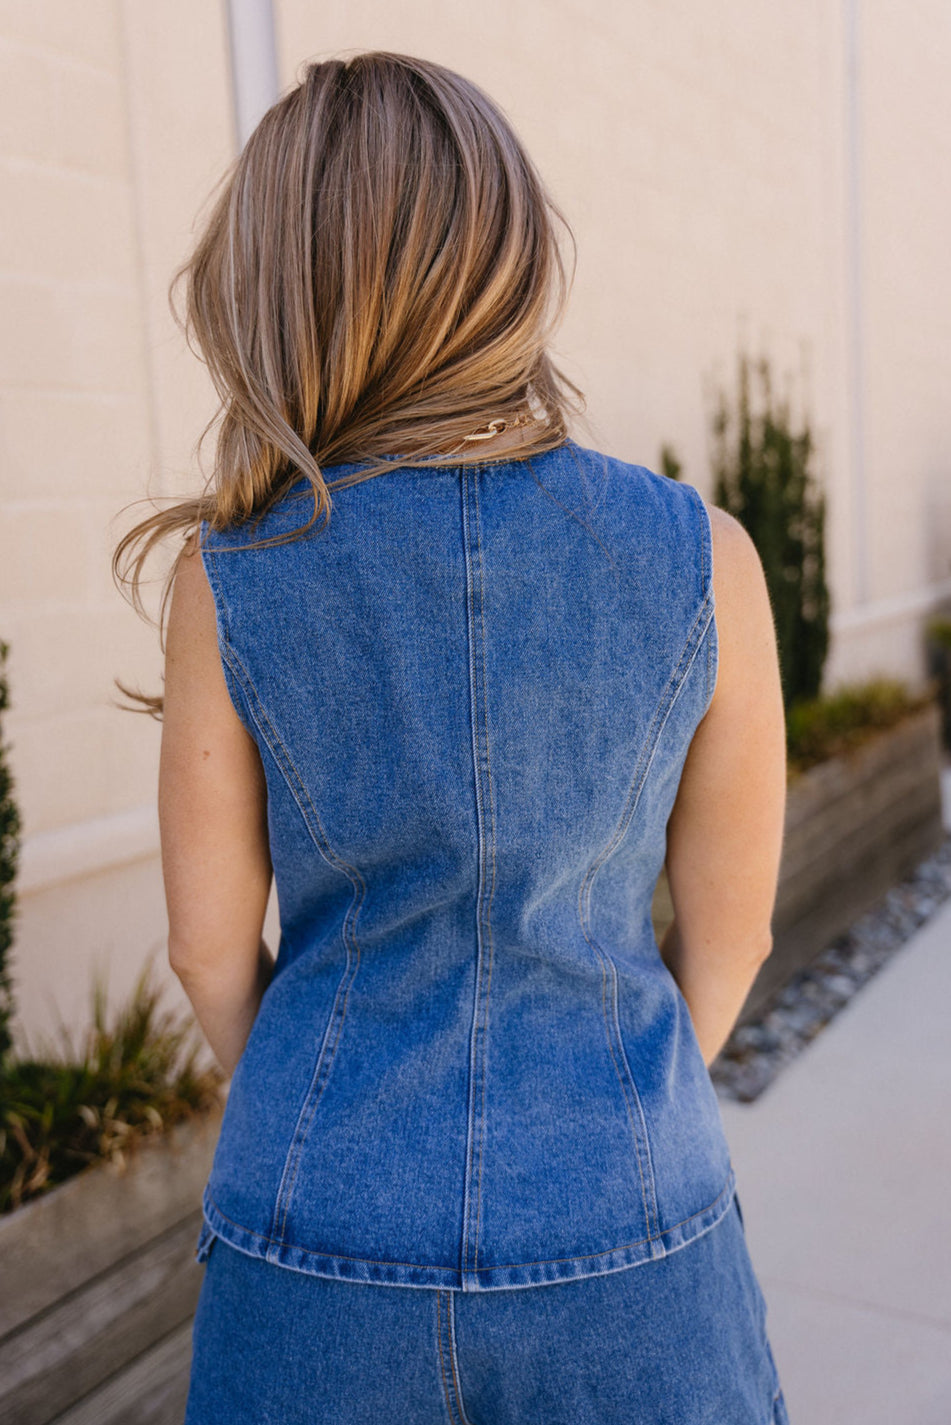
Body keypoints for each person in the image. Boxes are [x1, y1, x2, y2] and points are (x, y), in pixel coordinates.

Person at [114, 50, 790, 1425]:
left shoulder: (233, 573)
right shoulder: (704, 558)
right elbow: (731, 939)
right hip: (631, 1216)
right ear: (511, 257)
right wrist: (610, 1118)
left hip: (317, 1233)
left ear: (280, 289)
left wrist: (329, 1109)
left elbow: (202, 945)